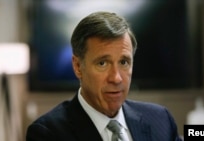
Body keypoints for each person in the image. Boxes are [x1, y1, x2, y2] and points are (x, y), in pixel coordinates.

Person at [26, 11, 182, 141]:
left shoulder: (161, 120)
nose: (116, 78)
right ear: (78, 66)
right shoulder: (47, 134)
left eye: (123, 62)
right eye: (102, 63)